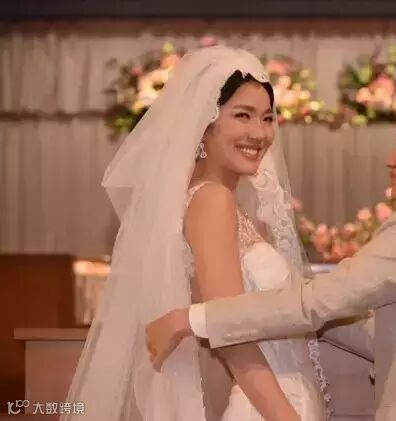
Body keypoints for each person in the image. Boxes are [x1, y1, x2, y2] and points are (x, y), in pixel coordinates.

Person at [147, 84, 396, 421]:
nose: (391, 159)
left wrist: (192, 319)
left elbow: (316, 303)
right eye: (244, 115)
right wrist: (296, 297)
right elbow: (393, 335)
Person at [64, 46, 326, 421]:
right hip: (270, 408)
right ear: (205, 125)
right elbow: (233, 336)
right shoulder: (212, 201)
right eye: (243, 115)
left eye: (268, 118)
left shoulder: (219, 203)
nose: (259, 133)